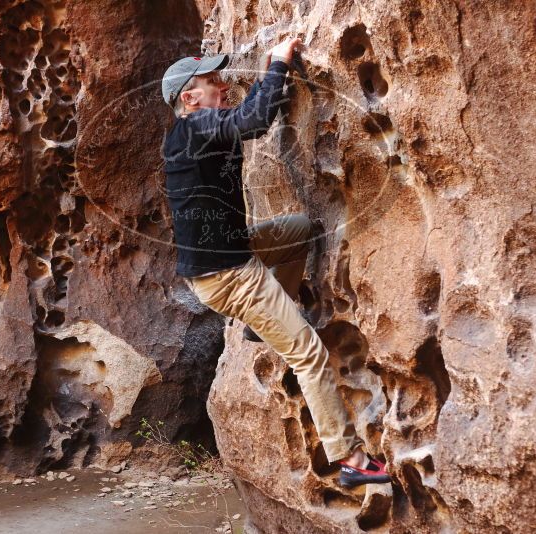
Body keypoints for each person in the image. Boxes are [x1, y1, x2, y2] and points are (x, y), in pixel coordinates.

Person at [160, 37, 390, 488]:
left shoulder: (192, 132)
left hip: (230, 256)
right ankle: (349, 460)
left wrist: (272, 77)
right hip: (230, 277)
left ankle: (262, 317)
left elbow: (244, 119)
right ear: (189, 98)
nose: (223, 85)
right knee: (309, 355)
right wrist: (280, 63)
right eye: (212, 82)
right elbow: (254, 119)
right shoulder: (194, 129)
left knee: (298, 228)